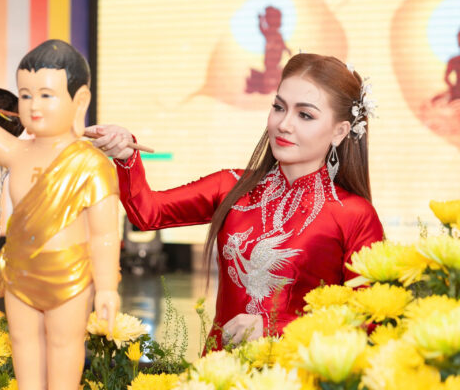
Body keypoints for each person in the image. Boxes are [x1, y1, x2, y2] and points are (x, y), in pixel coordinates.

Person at [87, 53, 383, 350]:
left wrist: (275, 328)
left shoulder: (354, 215)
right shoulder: (231, 187)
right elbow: (147, 213)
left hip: (296, 370)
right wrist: (126, 157)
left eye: (305, 115)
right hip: (218, 369)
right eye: (279, 107)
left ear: (340, 131)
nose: (284, 124)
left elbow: (369, 320)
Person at [0, 36, 121, 389]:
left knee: (64, 347)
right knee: (23, 344)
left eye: (46, 95)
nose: (33, 106)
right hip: (19, 272)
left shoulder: (91, 163)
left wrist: (107, 288)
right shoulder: (16, 152)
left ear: (80, 101)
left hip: (69, 275)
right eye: (26, 95)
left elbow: (105, 233)